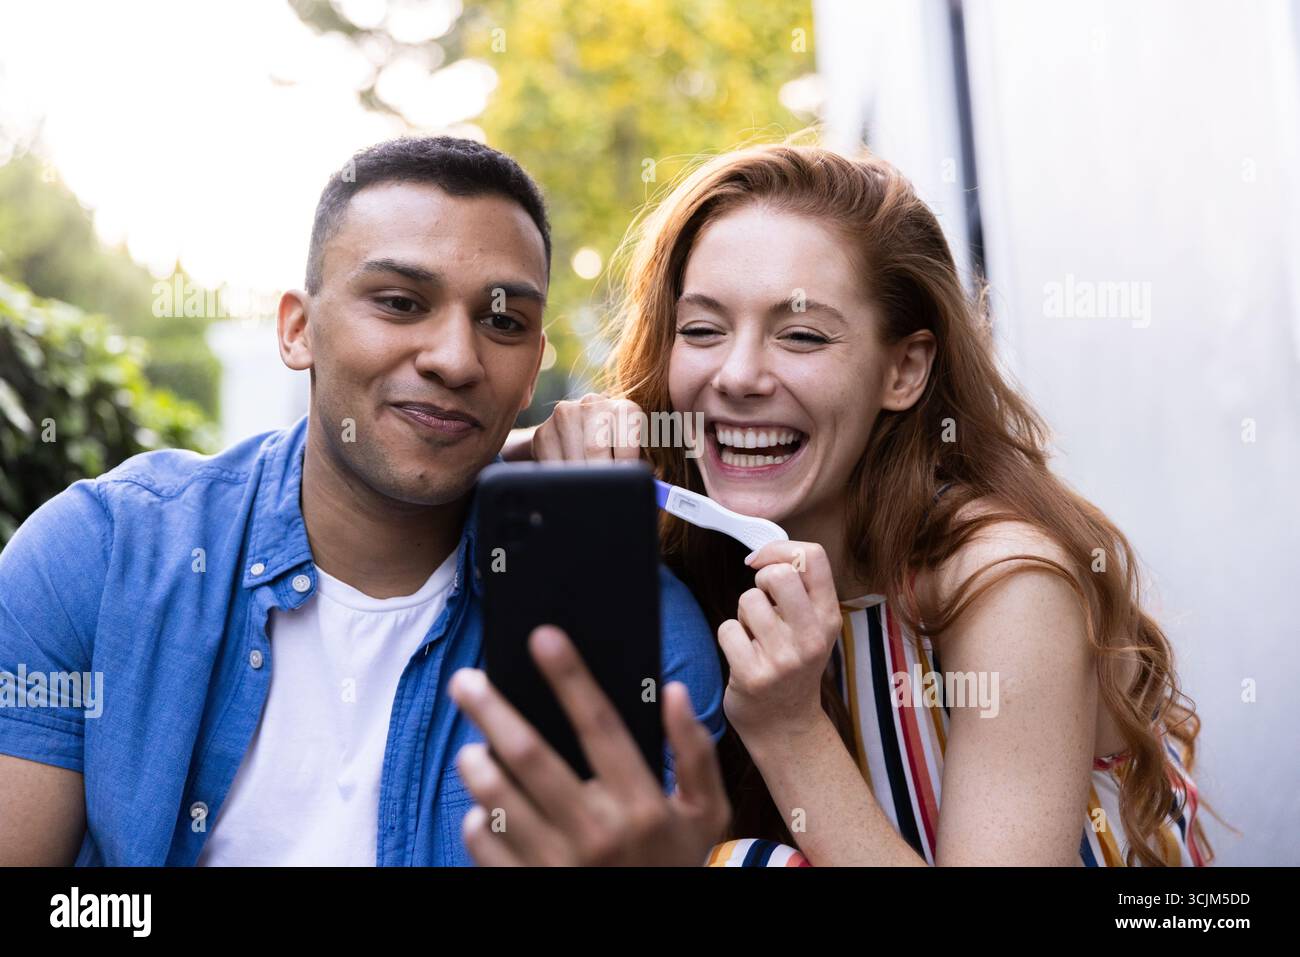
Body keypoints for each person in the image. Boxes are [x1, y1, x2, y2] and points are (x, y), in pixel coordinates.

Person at [0, 136, 725, 867]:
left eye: (502, 321)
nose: (454, 358)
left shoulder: (646, 640)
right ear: (297, 327)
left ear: (535, 363)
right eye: (401, 302)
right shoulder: (96, 558)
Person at [499, 142, 1214, 866]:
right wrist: (541, 448)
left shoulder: (1004, 583)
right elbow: (414, 481)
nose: (738, 374)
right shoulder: (706, 548)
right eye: (704, 329)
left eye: (802, 335)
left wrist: (788, 728)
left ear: (903, 369)